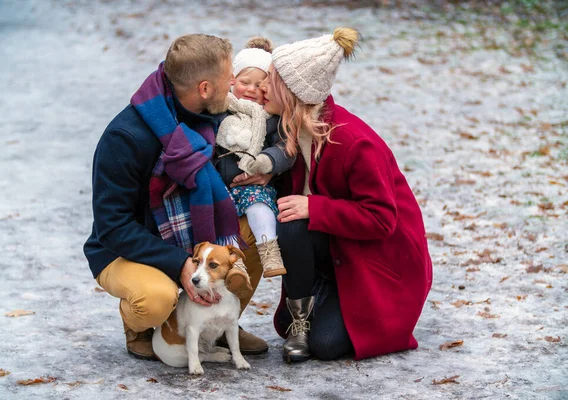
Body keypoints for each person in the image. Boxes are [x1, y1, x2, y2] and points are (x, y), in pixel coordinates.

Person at [83, 34, 269, 361]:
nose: (234, 83)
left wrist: (264, 170)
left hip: (191, 237)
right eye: (228, 78)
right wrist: (178, 262)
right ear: (204, 88)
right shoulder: (125, 138)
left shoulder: (214, 116)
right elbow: (112, 227)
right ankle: (139, 326)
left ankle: (220, 320)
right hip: (126, 248)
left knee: (259, 227)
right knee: (156, 298)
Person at [258, 27, 433, 362]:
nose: (262, 86)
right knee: (291, 220)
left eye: (270, 79)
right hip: (337, 250)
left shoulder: (354, 142)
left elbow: (382, 220)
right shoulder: (290, 130)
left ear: (292, 90)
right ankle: (300, 318)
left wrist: (315, 206)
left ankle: (326, 298)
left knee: (325, 346)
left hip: (378, 265)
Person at [214, 37, 296, 278]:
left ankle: (269, 250)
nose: (251, 89)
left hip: (252, 183)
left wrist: (267, 162)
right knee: (215, 214)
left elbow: (285, 149)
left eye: (259, 85)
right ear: (231, 82)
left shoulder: (271, 119)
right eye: (244, 82)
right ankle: (231, 263)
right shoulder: (220, 110)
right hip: (220, 184)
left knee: (260, 207)